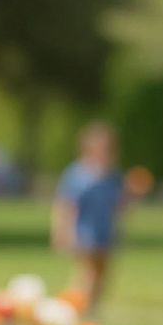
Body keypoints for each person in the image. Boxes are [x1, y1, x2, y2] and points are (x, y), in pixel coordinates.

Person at [51, 122, 124, 312]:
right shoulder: (77, 174)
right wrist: (62, 231)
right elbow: (66, 204)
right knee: (87, 272)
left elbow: (118, 203)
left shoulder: (113, 175)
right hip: (83, 229)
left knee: (102, 271)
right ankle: (75, 305)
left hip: (105, 230)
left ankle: (92, 307)